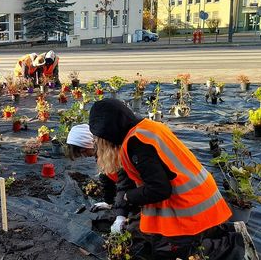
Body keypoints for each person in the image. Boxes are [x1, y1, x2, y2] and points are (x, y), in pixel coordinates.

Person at [88, 98, 249, 259]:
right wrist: (120, 214)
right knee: (149, 238)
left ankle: (235, 244)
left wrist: (129, 197)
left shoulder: (136, 143)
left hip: (191, 207)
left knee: (168, 251)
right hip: (198, 196)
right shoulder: (144, 129)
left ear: (108, 134)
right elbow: (126, 181)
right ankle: (216, 231)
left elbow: (160, 189)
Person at [66, 124, 117, 207]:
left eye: (83, 151)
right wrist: (108, 202)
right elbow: (106, 177)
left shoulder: (113, 152)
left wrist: (121, 214)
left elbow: (125, 182)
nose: (84, 156)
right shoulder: (100, 153)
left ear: (89, 143)